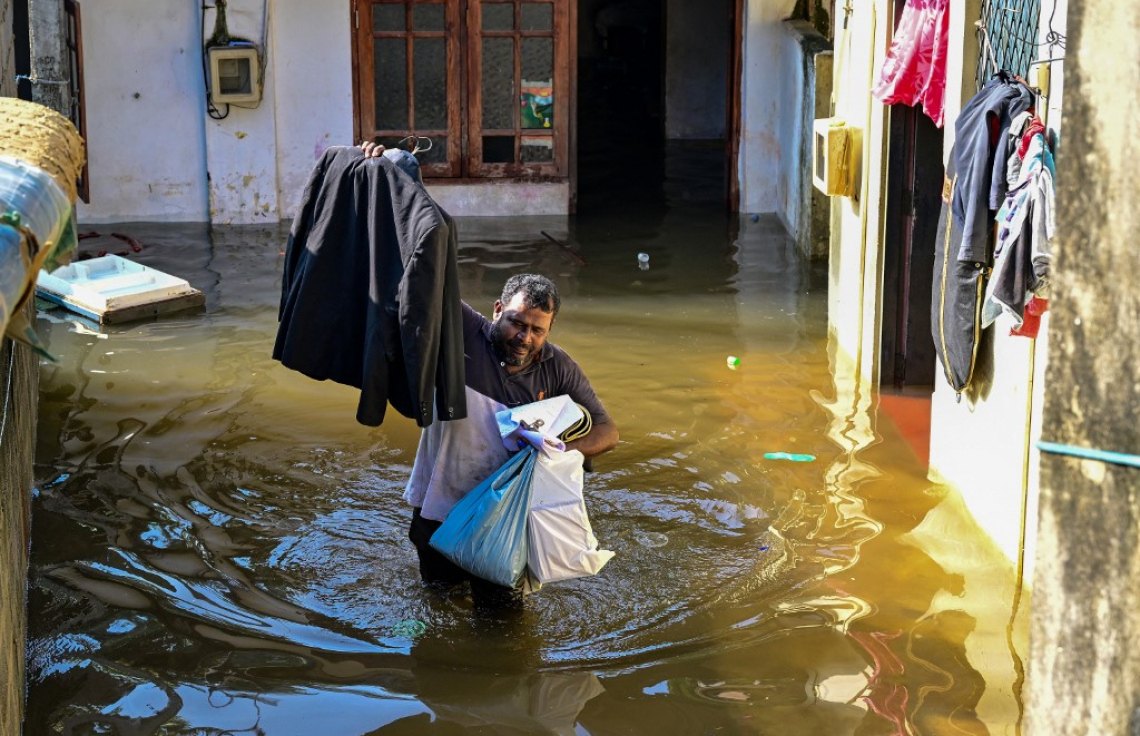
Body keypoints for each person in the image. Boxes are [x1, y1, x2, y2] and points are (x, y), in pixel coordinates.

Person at [360, 142, 620, 610]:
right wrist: (390, 177)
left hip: (504, 519)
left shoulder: (558, 365)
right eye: (516, 323)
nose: (524, 337)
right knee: (436, 606)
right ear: (498, 309)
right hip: (440, 506)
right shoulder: (462, 330)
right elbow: (418, 267)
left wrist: (562, 452)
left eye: (537, 330)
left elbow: (608, 431)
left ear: (550, 330)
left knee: (502, 623)